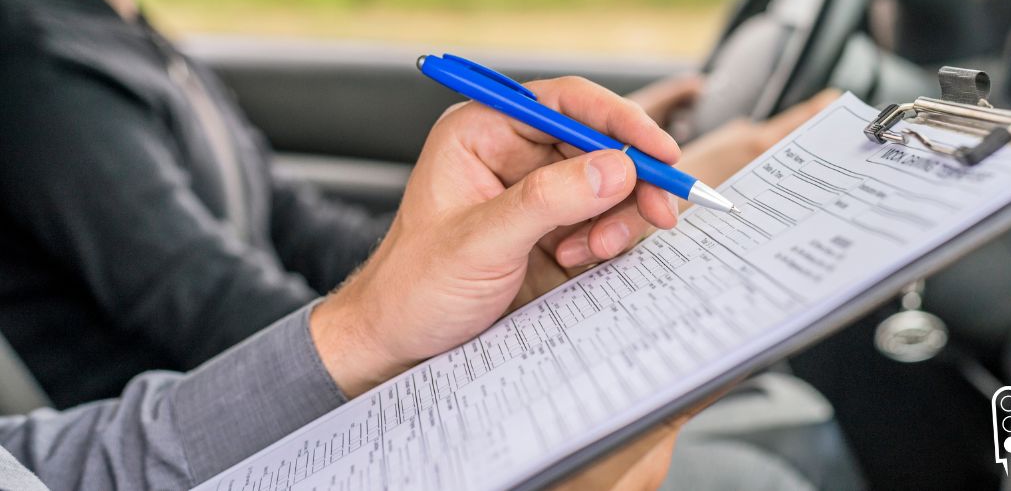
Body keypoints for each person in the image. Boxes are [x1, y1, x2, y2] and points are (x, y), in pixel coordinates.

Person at [0, 0, 838, 410]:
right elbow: (224, 316)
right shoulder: (29, 62)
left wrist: (526, 204)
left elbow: (300, 229)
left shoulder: (115, 33)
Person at [0, 75, 702, 490]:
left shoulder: (137, 41)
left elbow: (58, 470)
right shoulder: (37, 69)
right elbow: (210, 300)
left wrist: (375, 320)